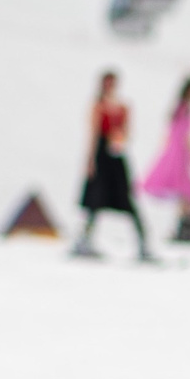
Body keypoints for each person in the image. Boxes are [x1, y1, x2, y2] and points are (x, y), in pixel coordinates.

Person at [72, 70, 154, 263]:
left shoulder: (123, 106)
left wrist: (120, 138)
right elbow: (93, 133)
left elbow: (127, 132)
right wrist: (90, 160)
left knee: (127, 200)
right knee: (95, 201)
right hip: (101, 156)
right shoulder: (98, 105)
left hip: (116, 155)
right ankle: (84, 240)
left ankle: (143, 245)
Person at [140, 75, 190, 240]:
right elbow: (185, 135)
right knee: (187, 190)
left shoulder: (179, 108)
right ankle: (185, 227)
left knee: (184, 192)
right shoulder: (185, 109)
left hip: (175, 151)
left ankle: (183, 226)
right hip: (179, 152)